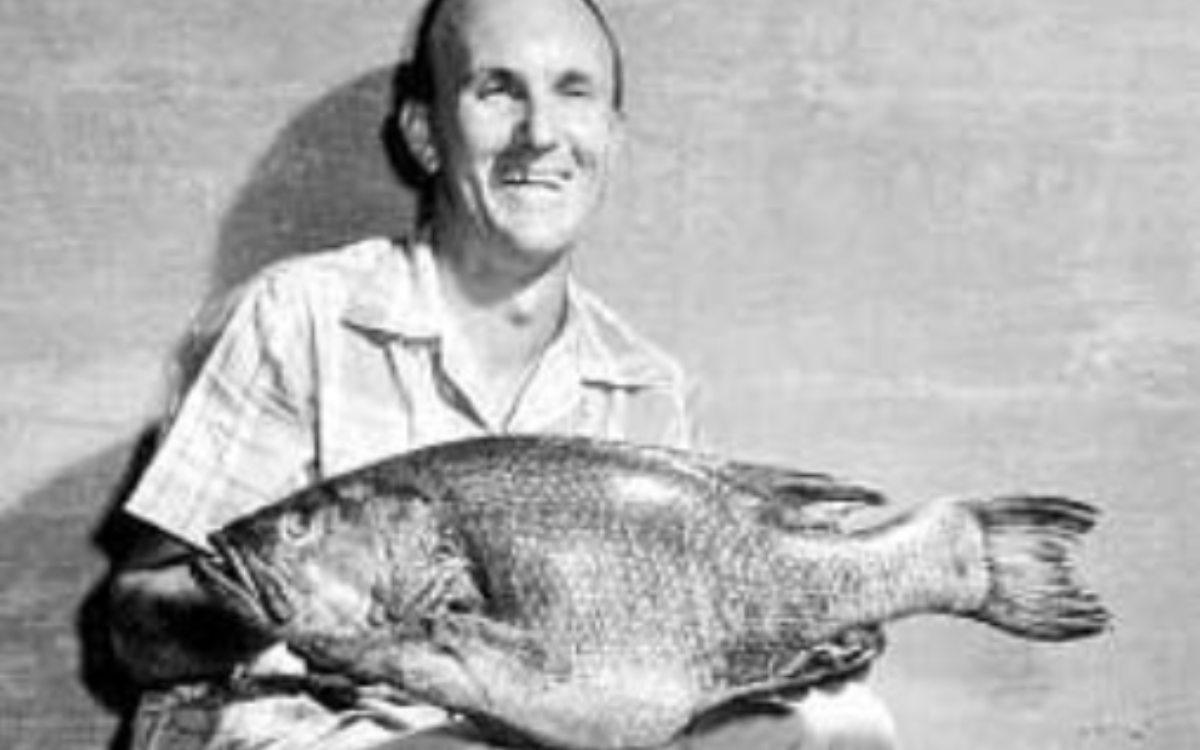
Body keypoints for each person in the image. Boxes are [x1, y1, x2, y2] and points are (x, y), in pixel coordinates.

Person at [107, 0, 898, 748]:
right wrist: (309, 600)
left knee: (843, 723)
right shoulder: (296, 315)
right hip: (313, 737)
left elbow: (640, 689)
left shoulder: (646, 389)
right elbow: (137, 627)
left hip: (538, 734)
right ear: (424, 133)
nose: (541, 133)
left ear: (611, 136)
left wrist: (791, 634)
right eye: (497, 90)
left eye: (574, 92)